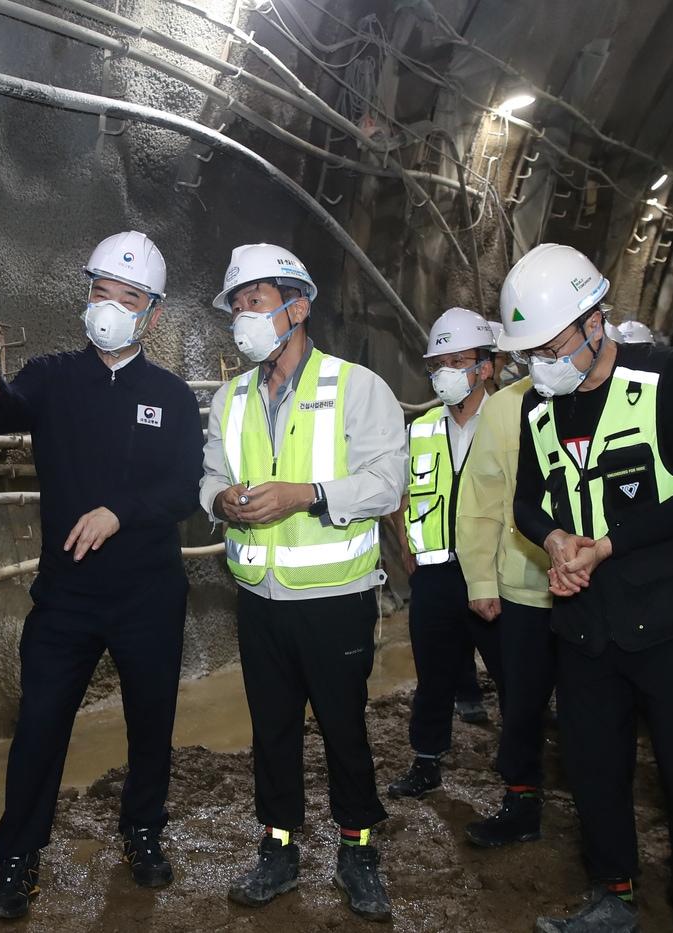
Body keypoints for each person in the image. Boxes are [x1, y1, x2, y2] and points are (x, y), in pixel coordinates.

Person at [0, 231, 203, 920]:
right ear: (85, 297)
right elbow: (9, 413)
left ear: (151, 312)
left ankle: (143, 831)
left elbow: (184, 489)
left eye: (127, 297)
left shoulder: (171, 397)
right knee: (39, 726)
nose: (109, 306)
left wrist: (121, 511)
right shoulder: (53, 376)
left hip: (148, 595)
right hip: (65, 598)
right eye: (100, 292)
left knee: (151, 723)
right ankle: (19, 861)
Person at [501, 243, 673, 933]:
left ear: (595, 322)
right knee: (593, 767)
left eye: (550, 346)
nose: (539, 363)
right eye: (529, 353)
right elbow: (526, 501)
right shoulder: (539, 408)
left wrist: (607, 545)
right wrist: (552, 540)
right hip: (586, 622)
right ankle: (613, 893)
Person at [199, 243, 406, 922]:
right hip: (259, 599)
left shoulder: (356, 387)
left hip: (335, 601)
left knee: (345, 730)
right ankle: (279, 846)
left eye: (254, 301)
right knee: (273, 730)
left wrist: (307, 494)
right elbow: (209, 474)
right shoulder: (229, 399)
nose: (243, 318)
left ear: (298, 304)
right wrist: (221, 500)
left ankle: (359, 849)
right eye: (237, 306)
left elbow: (386, 483)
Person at [386, 308, 504, 800]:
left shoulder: (512, 420)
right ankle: (427, 760)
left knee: (513, 677)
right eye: (437, 364)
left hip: (495, 576)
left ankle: (521, 773)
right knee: (433, 678)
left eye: (457, 361)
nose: (445, 374)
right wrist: (409, 547)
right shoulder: (424, 427)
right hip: (434, 575)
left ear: (486, 367)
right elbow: (400, 494)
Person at [454, 326, 556, 848]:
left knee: (598, 705)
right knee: (520, 702)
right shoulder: (503, 410)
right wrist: (480, 578)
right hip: (525, 587)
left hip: (602, 589)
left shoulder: (621, 401)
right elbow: (481, 501)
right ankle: (521, 799)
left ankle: (597, 800)